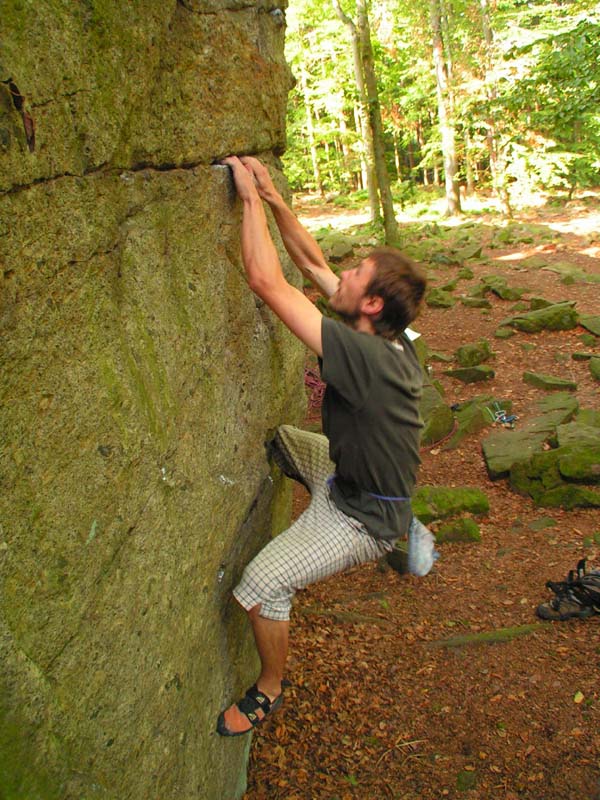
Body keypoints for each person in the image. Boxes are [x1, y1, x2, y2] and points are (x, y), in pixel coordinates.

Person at [217, 156, 427, 737]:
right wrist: (275, 196)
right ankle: (369, 514)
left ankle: (269, 687)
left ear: (372, 305)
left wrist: (249, 202)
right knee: (283, 441)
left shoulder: (364, 358)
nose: (345, 273)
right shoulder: (390, 335)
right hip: (344, 476)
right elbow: (309, 263)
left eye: (357, 271)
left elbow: (267, 281)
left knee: (261, 586)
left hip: (361, 520)